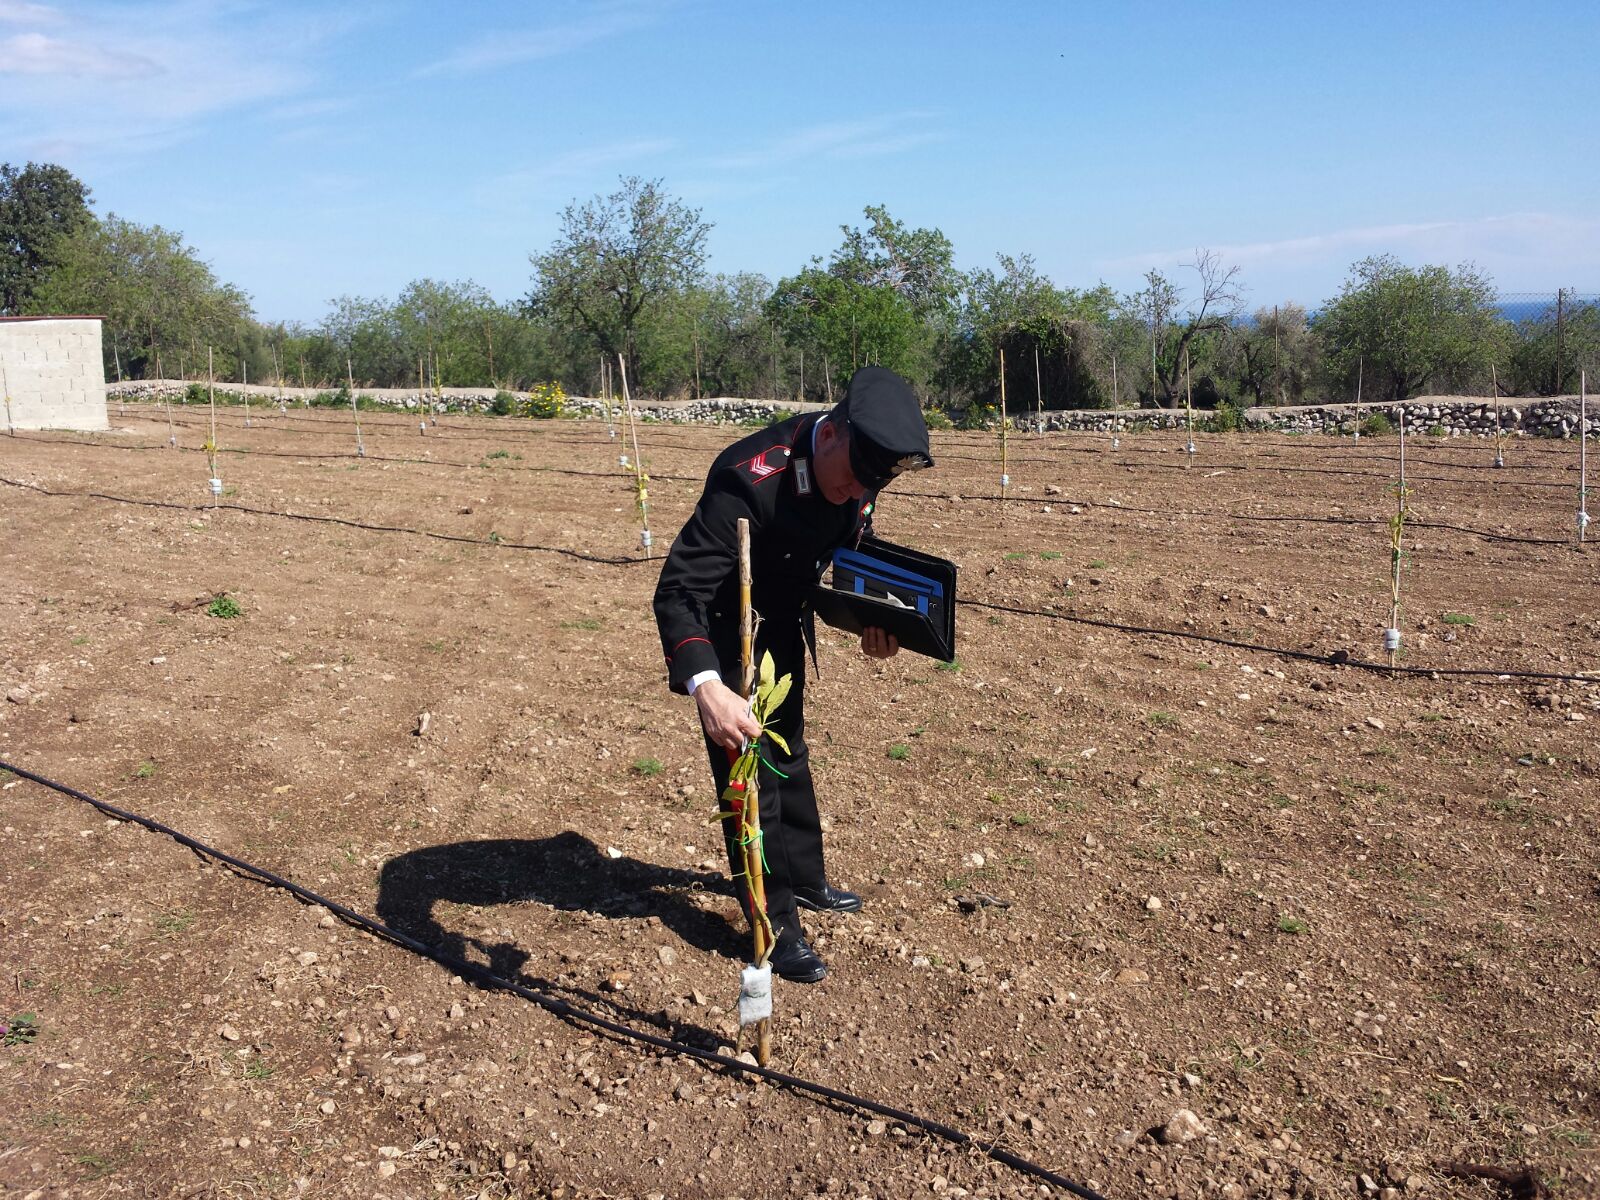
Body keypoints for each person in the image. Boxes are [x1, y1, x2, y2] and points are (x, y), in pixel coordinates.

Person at [653, 367, 934, 983]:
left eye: (872, 485)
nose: (858, 494)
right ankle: (773, 922)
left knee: (790, 751)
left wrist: (871, 620)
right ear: (829, 435)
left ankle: (805, 881)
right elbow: (677, 594)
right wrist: (708, 687)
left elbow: (845, 552)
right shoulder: (746, 481)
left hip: (782, 619)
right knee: (750, 778)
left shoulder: (858, 476)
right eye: (855, 480)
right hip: (730, 630)